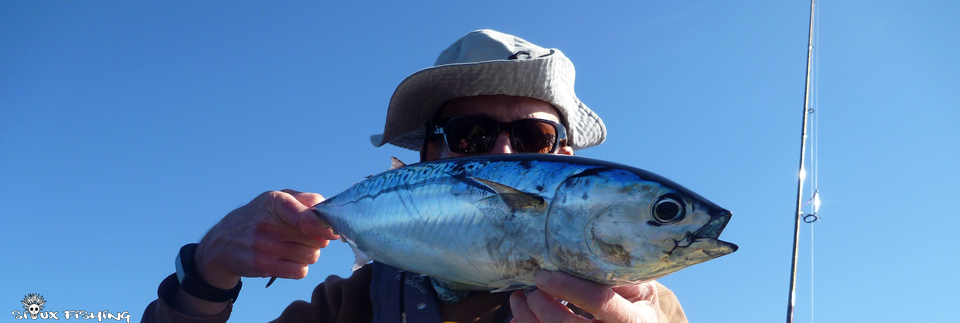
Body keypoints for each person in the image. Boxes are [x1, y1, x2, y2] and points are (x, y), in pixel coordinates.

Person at [143, 29, 688, 323]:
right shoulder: (347, 308)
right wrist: (205, 273)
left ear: (566, 161)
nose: (501, 152)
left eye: (533, 140)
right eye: (470, 136)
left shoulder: (639, 309)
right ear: (428, 155)